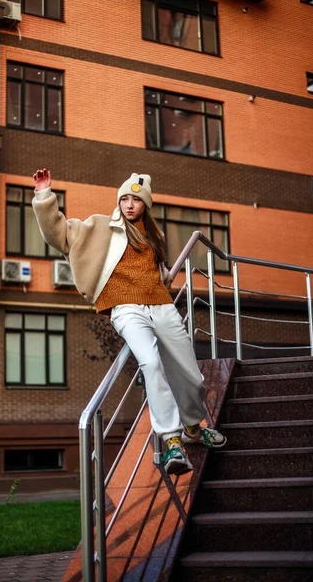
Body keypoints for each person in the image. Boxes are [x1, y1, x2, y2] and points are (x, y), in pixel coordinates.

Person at [32, 169, 227, 476]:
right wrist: (44, 195)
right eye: (124, 198)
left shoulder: (154, 236)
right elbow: (57, 233)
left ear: (145, 204)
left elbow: (159, 273)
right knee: (150, 363)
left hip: (162, 307)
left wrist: (163, 282)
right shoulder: (98, 227)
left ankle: (192, 426)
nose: (129, 204)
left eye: (136, 199)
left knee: (191, 376)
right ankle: (172, 440)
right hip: (125, 308)